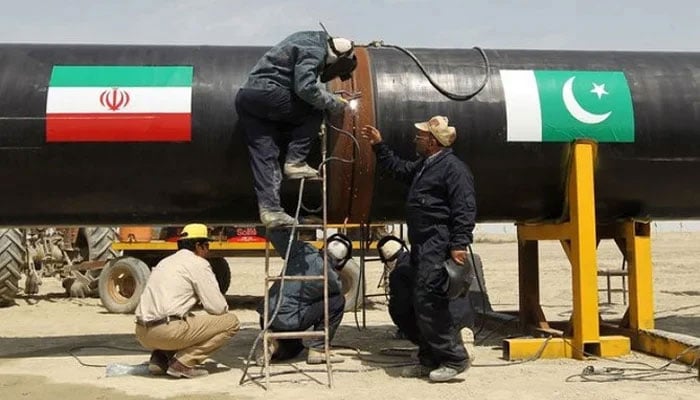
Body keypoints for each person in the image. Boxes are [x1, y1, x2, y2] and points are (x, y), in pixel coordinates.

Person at [361, 116, 476, 382]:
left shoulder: (453, 169)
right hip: (421, 243)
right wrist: (379, 145)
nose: (417, 139)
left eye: (421, 136)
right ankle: (428, 358)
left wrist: (459, 244)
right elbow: (398, 169)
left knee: (429, 300)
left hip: (437, 242)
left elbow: (465, 208)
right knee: (407, 294)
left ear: (433, 142)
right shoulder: (426, 165)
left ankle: (454, 358)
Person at [235, 30, 358, 227]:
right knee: (314, 110)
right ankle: (295, 162)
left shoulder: (308, 39)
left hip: (248, 97)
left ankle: (271, 211)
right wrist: (333, 102)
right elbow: (305, 88)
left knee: (265, 155)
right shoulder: (316, 50)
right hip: (268, 91)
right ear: (337, 58)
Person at [134, 223, 240, 379]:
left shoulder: (166, 262)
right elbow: (218, 308)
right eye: (207, 245)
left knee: (185, 318)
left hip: (142, 332)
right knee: (231, 322)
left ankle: (160, 359)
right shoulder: (198, 263)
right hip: (167, 332)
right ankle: (183, 363)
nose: (207, 250)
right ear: (199, 246)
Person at [256, 228, 350, 365]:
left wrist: (288, 222)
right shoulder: (332, 280)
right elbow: (328, 302)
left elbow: (276, 234)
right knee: (337, 301)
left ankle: (273, 345)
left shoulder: (302, 250)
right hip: (290, 321)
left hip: (266, 316)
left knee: (296, 345)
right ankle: (318, 349)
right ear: (341, 261)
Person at [378, 235, 476, 362]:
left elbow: (400, 309)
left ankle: (433, 348)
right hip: (465, 316)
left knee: (411, 311)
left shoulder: (399, 274)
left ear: (387, 261)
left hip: (443, 322)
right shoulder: (429, 260)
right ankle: (461, 333)